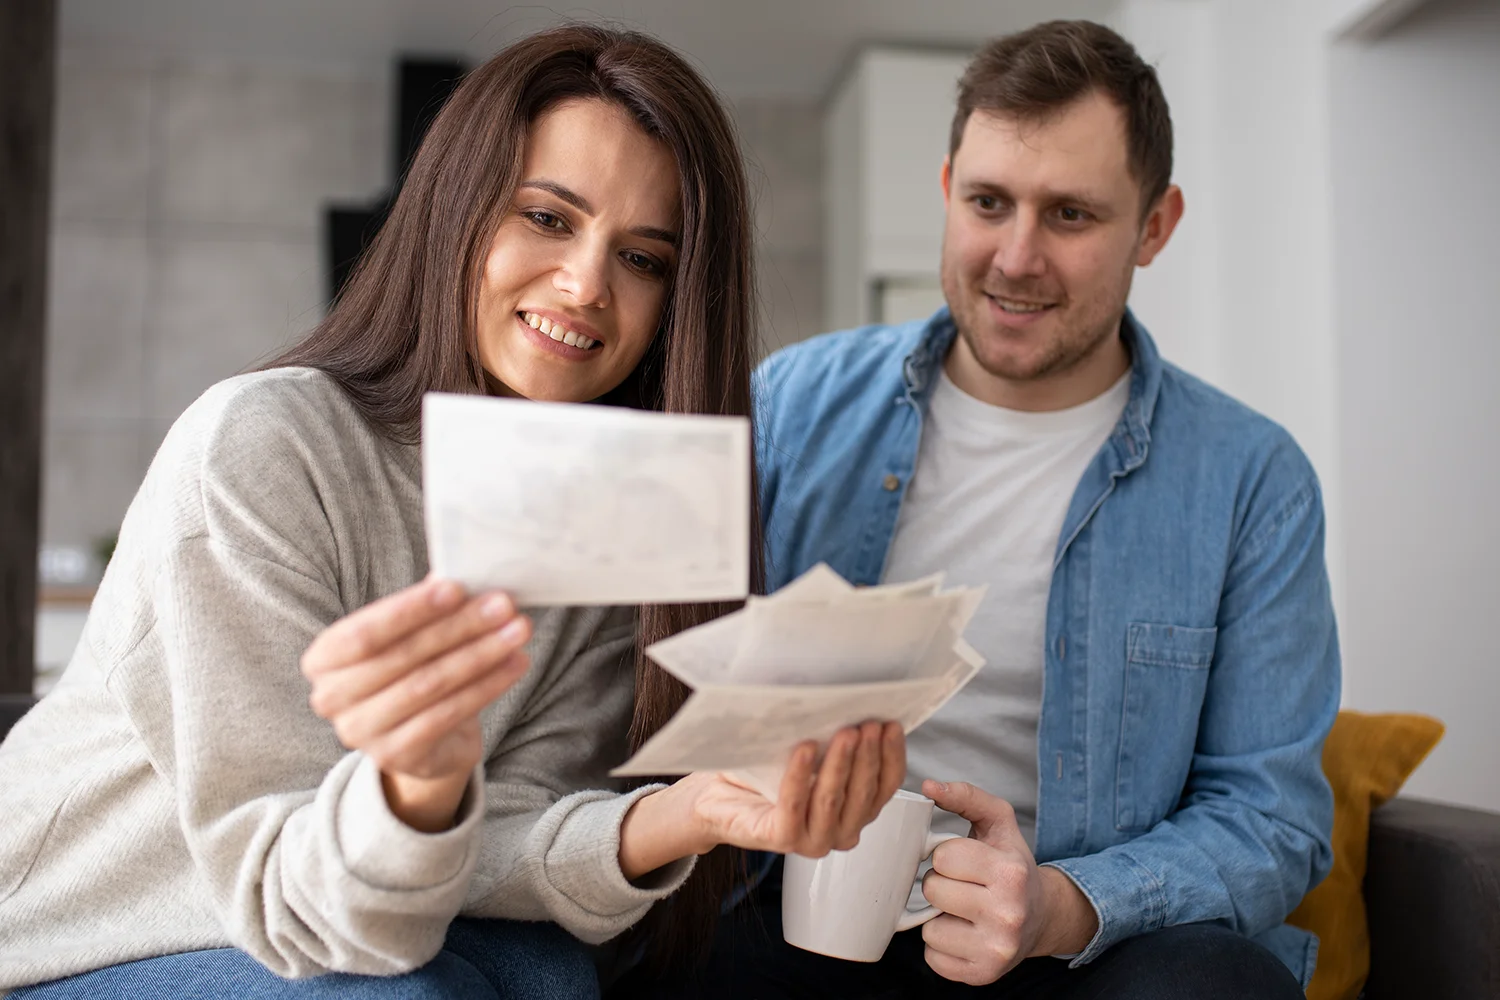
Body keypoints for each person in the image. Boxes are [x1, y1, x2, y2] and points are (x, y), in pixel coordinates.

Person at [0, 24, 905, 1000]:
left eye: (643, 258)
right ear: (458, 212)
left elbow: (496, 832)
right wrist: (415, 787)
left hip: (362, 917)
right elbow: (313, 917)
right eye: (549, 218)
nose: (588, 284)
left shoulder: (608, 513)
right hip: (91, 933)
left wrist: (692, 812)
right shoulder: (260, 447)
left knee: (556, 979)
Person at [652, 19, 1340, 1000]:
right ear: (945, 192)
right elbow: (650, 671)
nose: (1016, 258)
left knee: (1218, 982)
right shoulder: (788, 405)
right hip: (799, 910)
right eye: (988, 203)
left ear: (1155, 224)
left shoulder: (1251, 479)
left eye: (1069, 215)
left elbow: (1271, 817)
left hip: (1075, 939)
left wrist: (1059, 905)